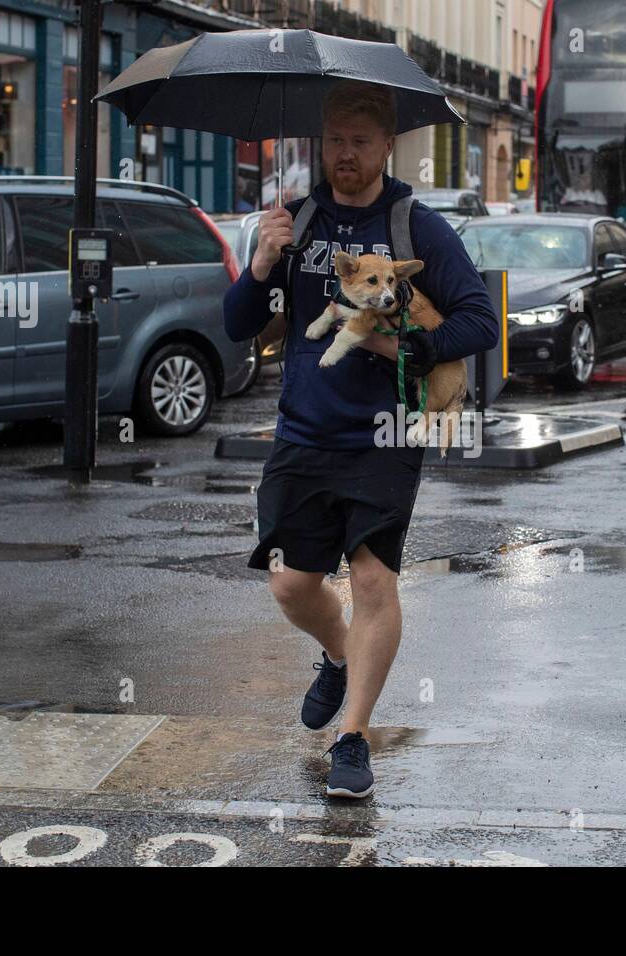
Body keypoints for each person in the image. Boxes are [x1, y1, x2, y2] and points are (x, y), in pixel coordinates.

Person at [222, 81, 499, 799]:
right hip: (302, 432)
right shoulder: (298, 221)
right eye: (336, 140)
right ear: (324, 143)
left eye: (361, 142)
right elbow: (237, 323)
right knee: (290, 583)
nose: (346, 154)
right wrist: (259, 266)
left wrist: (394, 344)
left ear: (385, 147)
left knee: (373, 580)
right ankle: (339, 656)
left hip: (383, 436)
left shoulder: (417, 227)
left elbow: (479, 322)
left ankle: (352, 738)